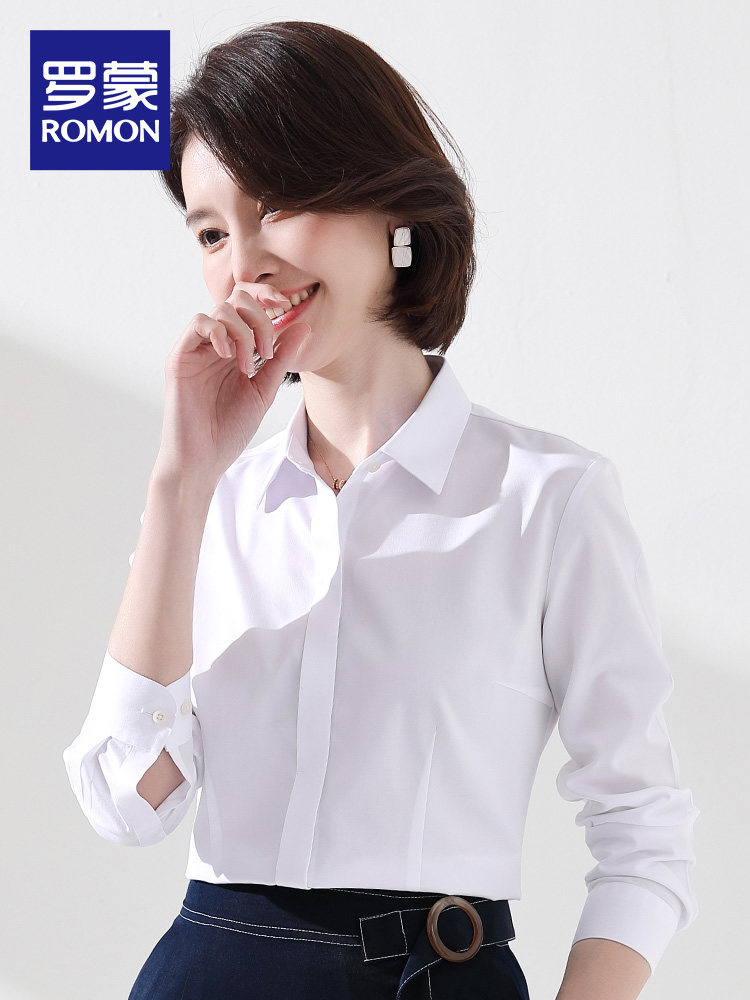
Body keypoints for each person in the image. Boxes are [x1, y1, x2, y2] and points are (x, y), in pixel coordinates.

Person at [62, 19, 699, 1000]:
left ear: (392, 205)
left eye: (278, 206)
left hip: (436, 975)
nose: (244, 263)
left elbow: (645, 829)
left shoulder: (549, 499)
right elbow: (127, 803)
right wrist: (180, 482)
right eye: (211, 232)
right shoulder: (213, 504)